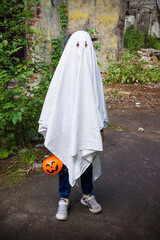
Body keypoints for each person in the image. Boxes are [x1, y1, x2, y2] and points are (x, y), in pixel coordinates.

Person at [38, 30, 108, 221]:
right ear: (70, 48)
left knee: (87, 159)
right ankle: (64, 198)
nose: (81, 51)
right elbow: (54, 101)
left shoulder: (93, 74)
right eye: (77, 46)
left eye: (85, 46)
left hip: (86, 127)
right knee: (64, 161)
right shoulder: (63, 74)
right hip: (66, 126)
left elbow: (99, 102)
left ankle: (87, 195)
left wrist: (100, 127)